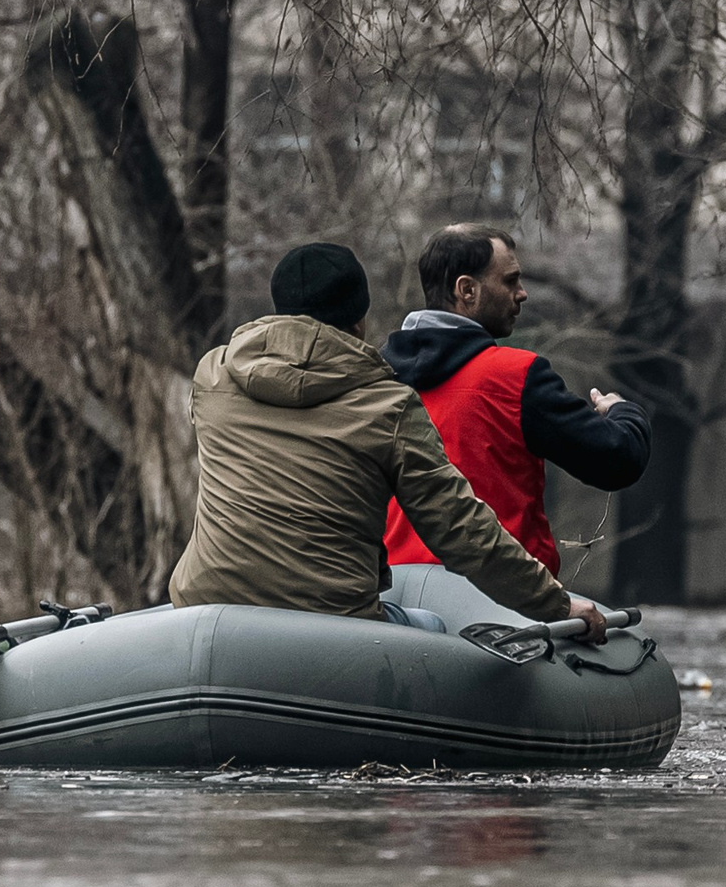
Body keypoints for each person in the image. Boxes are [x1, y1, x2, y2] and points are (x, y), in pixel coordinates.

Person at [170, 241, 608, 639]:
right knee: (432, 628)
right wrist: (555, 602)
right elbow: (461, 530)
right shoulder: (389, 405)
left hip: (206, 603)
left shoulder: (213, 376)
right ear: (360, 320)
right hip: (332, 620)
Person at [381, 225, 650, 574]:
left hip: (398, 596)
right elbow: (617, 458)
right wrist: (623, 412)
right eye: (510, 281)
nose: (522, 294)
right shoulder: (515, 377)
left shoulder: (378, 380)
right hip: (502, 600)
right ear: (467, 290)